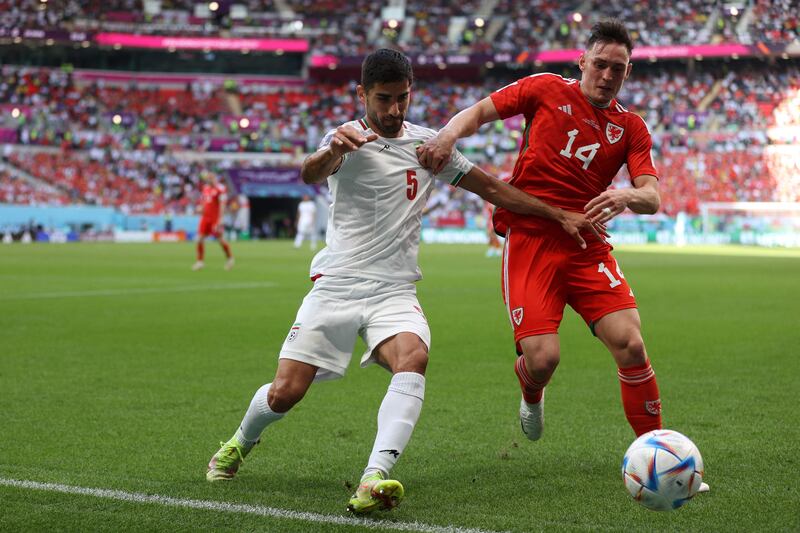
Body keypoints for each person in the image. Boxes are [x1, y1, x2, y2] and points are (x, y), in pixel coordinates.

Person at [205, 48, 604, 514]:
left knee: (413, 356)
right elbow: (309, 172)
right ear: (362, 95)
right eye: (383, 99)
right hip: (336, 285)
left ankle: (373, 478)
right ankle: (238, 442)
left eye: (403, 98)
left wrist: (559, 215)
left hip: (393, 290)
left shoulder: (429, 147)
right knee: (285, 392)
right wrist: (333, 147)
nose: (394, 110)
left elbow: (494, 189)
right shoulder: (345, 140)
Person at [417, 20, 669, 443]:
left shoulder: (632, 128)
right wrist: (447, 137)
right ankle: (531, 390)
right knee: (543, 359)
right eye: (601, 65)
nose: (608, 76)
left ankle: (660, 452)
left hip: (587, 243)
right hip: (532, 238)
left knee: (631, 345)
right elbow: (481, 110)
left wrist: (626, 195)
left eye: (618, 69)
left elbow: (653, 197)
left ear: (629, 73)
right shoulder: (546, 88)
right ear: (582, 61)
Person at [192, 171, 234, 271]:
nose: (210, 180)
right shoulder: (205, 188)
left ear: (215, 178)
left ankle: (230, 258)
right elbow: (203, 201)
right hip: (205, 218)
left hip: (215, 219)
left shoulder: (221, 189)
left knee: (220, 239)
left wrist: (220, 219)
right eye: (208, 178)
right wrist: (200, 208)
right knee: (199, 239)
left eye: (212, 178)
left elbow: (222, 205)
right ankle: (200, 262)